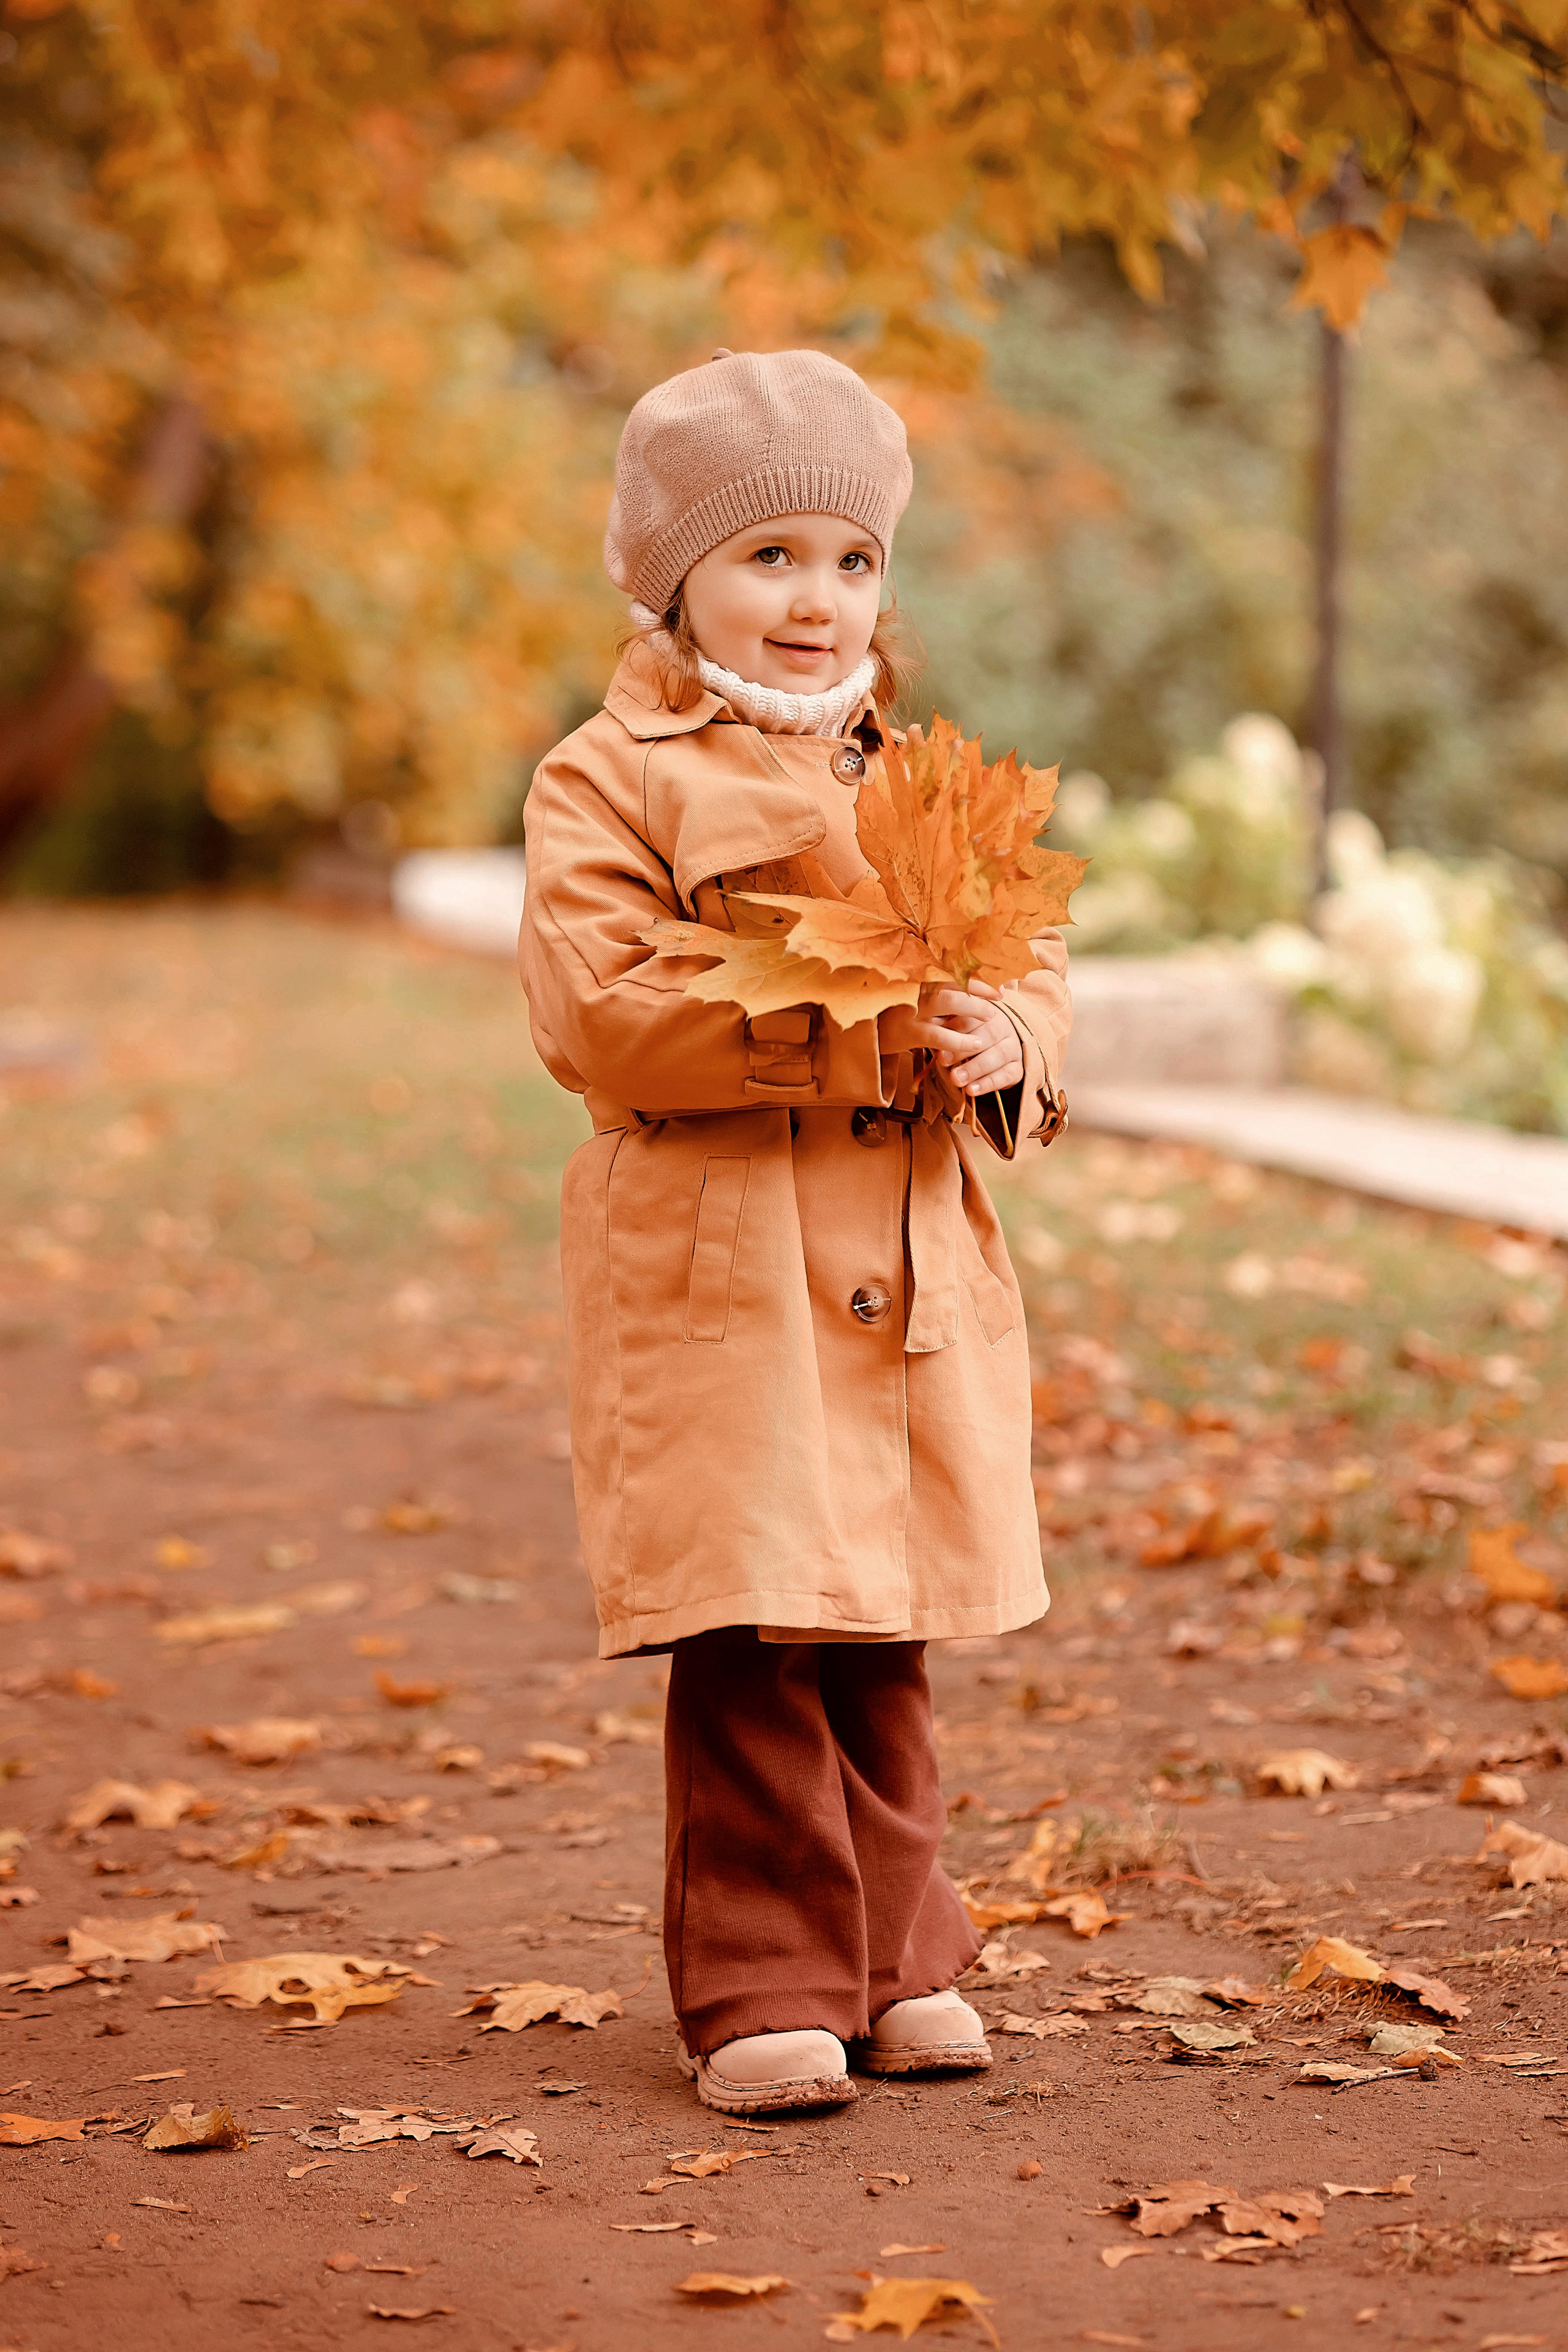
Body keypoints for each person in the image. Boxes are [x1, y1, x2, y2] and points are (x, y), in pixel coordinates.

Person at [519, 347, 1072, 2114]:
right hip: (725, 1274)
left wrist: (1009, 1042)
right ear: (670, 578)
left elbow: (1026, 961)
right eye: (767, 561)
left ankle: (902, 1953)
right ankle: (764, 1975)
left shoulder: (921, 780)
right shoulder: (611, 778)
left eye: (850, 561)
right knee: (757, 1632)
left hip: (902, 1272)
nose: (815, 600)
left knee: (882, 1629)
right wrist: (838, 1008)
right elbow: (602, 1013)